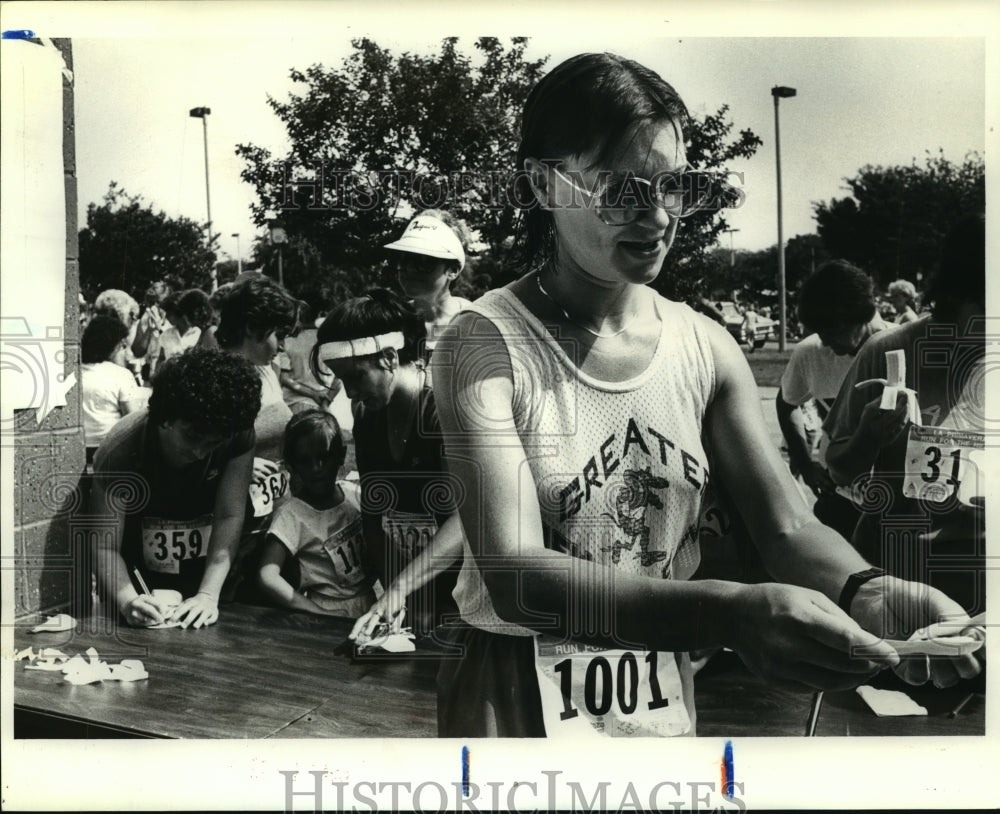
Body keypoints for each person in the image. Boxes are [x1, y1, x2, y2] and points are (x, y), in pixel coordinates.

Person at [429, 52, 979, 738]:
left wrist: (866, 589)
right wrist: (725, 613)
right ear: (544, 183)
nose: (657, 215)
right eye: (622, 188)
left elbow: (786, 527)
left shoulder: (703, 346)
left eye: (674, 185)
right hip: (513, 697)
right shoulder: (483, 345)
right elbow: (518, 578)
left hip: (660, 693)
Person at [824, 214, 986, 617]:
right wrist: (868, 437)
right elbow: (839, 470)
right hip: (900, 582)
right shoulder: (888, 352)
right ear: (955, 292)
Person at [310, 289, 464, 637]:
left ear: (390, 358)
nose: (348, 393)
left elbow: (465, 521)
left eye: (356, 376)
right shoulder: (366, 414)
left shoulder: (444, 408)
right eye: (340, 379)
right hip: (416, 583)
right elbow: (375, 514)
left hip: (468, 590)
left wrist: (399, 590)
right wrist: (400, 593)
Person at [89, 348, 260, 629]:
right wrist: (127, 599)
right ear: (165, 418)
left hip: (209, 566)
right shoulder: (120, 449)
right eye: (193, 436)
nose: (201, 453)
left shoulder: (238, 432)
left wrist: (207, 595)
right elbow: (105, 545)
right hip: (138, 575)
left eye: (215, 443)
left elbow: (230, 514)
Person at [775, 260, 893, 539]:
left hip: (891, 495)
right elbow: (787, 402)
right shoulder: (810, 352)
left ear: (862, 316)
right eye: (819, 333)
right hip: (838, 491)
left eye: (833, 331)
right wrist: (805, 462)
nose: (826, 343)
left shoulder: (899, 346)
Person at [214, 275, 300, 595]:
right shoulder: (218, 377)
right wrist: (235, 469)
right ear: (252, 327)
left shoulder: (267, 371)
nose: (283, 346)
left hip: (271, 521)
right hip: (235, 529)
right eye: (279, 334)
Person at [258, 410, 375, 617]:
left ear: (341, 455)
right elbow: (268, 575)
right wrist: (317, 611)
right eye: (305, 461)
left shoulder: (353, 494)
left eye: (324, 457)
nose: (316, 468)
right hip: (326, 609)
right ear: (292, 465)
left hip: (368, 602)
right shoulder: (292, 515)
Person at [384, 210, 473, 358]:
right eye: (404, 259)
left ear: (453, 270)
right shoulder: (391, 322)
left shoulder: (474, 320)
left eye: (424, 261)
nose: (410, 269)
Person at [80, 314, 150, 455]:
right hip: (109, 448)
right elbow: (132, 421)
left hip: (80, 446)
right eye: (121, 344)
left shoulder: (74, 370)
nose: (123, 348)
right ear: (111, 345)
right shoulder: (120, 375)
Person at [278, 299, 339, 415]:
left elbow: (284, 379)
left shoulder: (287, 341)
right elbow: (339, 380)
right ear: (320, 314)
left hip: (294, 404)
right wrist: (326, 402)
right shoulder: (330, 340)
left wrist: (313, 394)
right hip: (323, 406)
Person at [157, 289, 213, 366]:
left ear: (179, 312)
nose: (166, 317)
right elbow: (160, 362)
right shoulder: (165, 336)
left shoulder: (201, 333)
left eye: (169, 314)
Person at [131, 281, 171, 381]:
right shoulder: (146, 318)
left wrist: (160, 329)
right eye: (152, 303)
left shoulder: (173, 318)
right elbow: (137, 352)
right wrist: (149, 330)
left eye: (160, 303)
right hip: (150, 373)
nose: (155, 307)